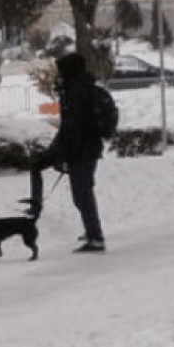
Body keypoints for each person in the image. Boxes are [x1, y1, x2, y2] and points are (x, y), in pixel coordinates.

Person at [25, 52, 109, 253]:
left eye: (61, 69)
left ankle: (95, 238)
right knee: (81, 192)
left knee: (82, 195)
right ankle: (90, 230)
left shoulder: (75, 92)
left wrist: (65, 157)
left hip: (80, 150)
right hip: (85, 147)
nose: (58, 73)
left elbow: (74, 129)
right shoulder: (79, 88)